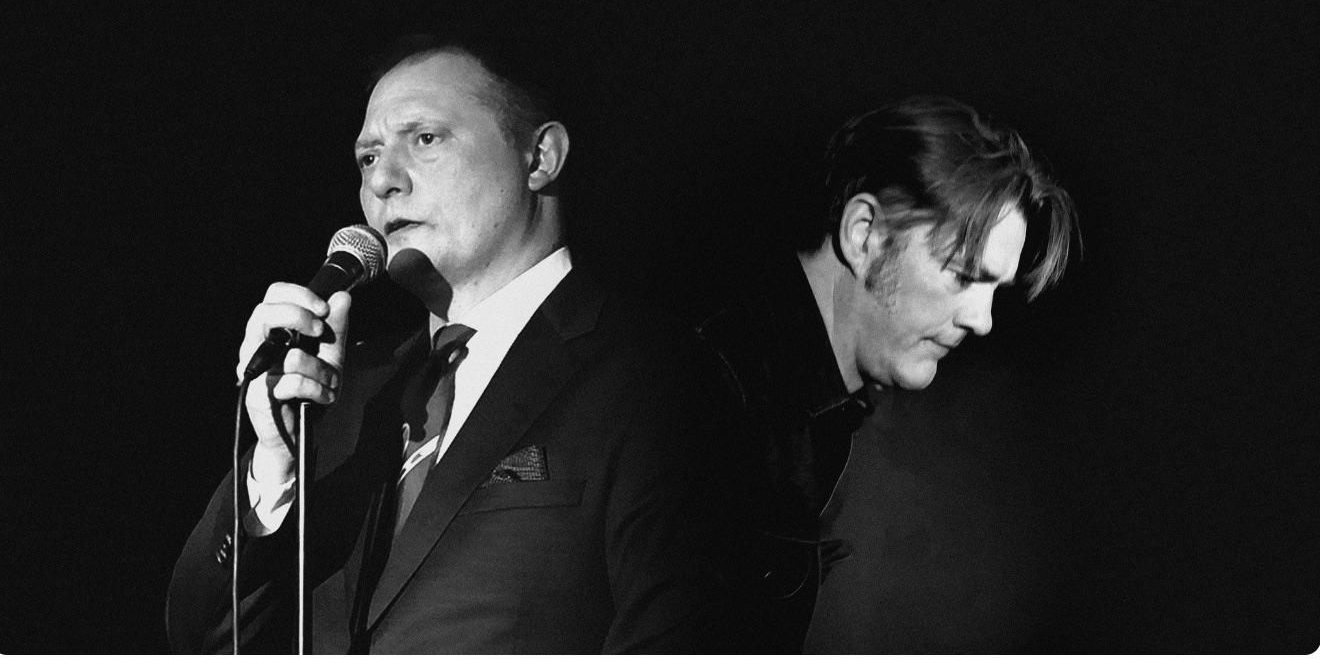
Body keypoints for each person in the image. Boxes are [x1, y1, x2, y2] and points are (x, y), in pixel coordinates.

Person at [167, 33, 719, 653]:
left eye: (425, 139)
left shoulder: (648, 372)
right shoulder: (340, 396)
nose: (384, 181)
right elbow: (200, 636)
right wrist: (275, 465)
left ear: (540, 157)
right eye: (368, 158)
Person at [696, 96, 1079, 652]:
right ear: (864, 235)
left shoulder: (806, 402)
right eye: (963, 274)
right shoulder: (708, 394)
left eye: (996, 289)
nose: (983, 320)